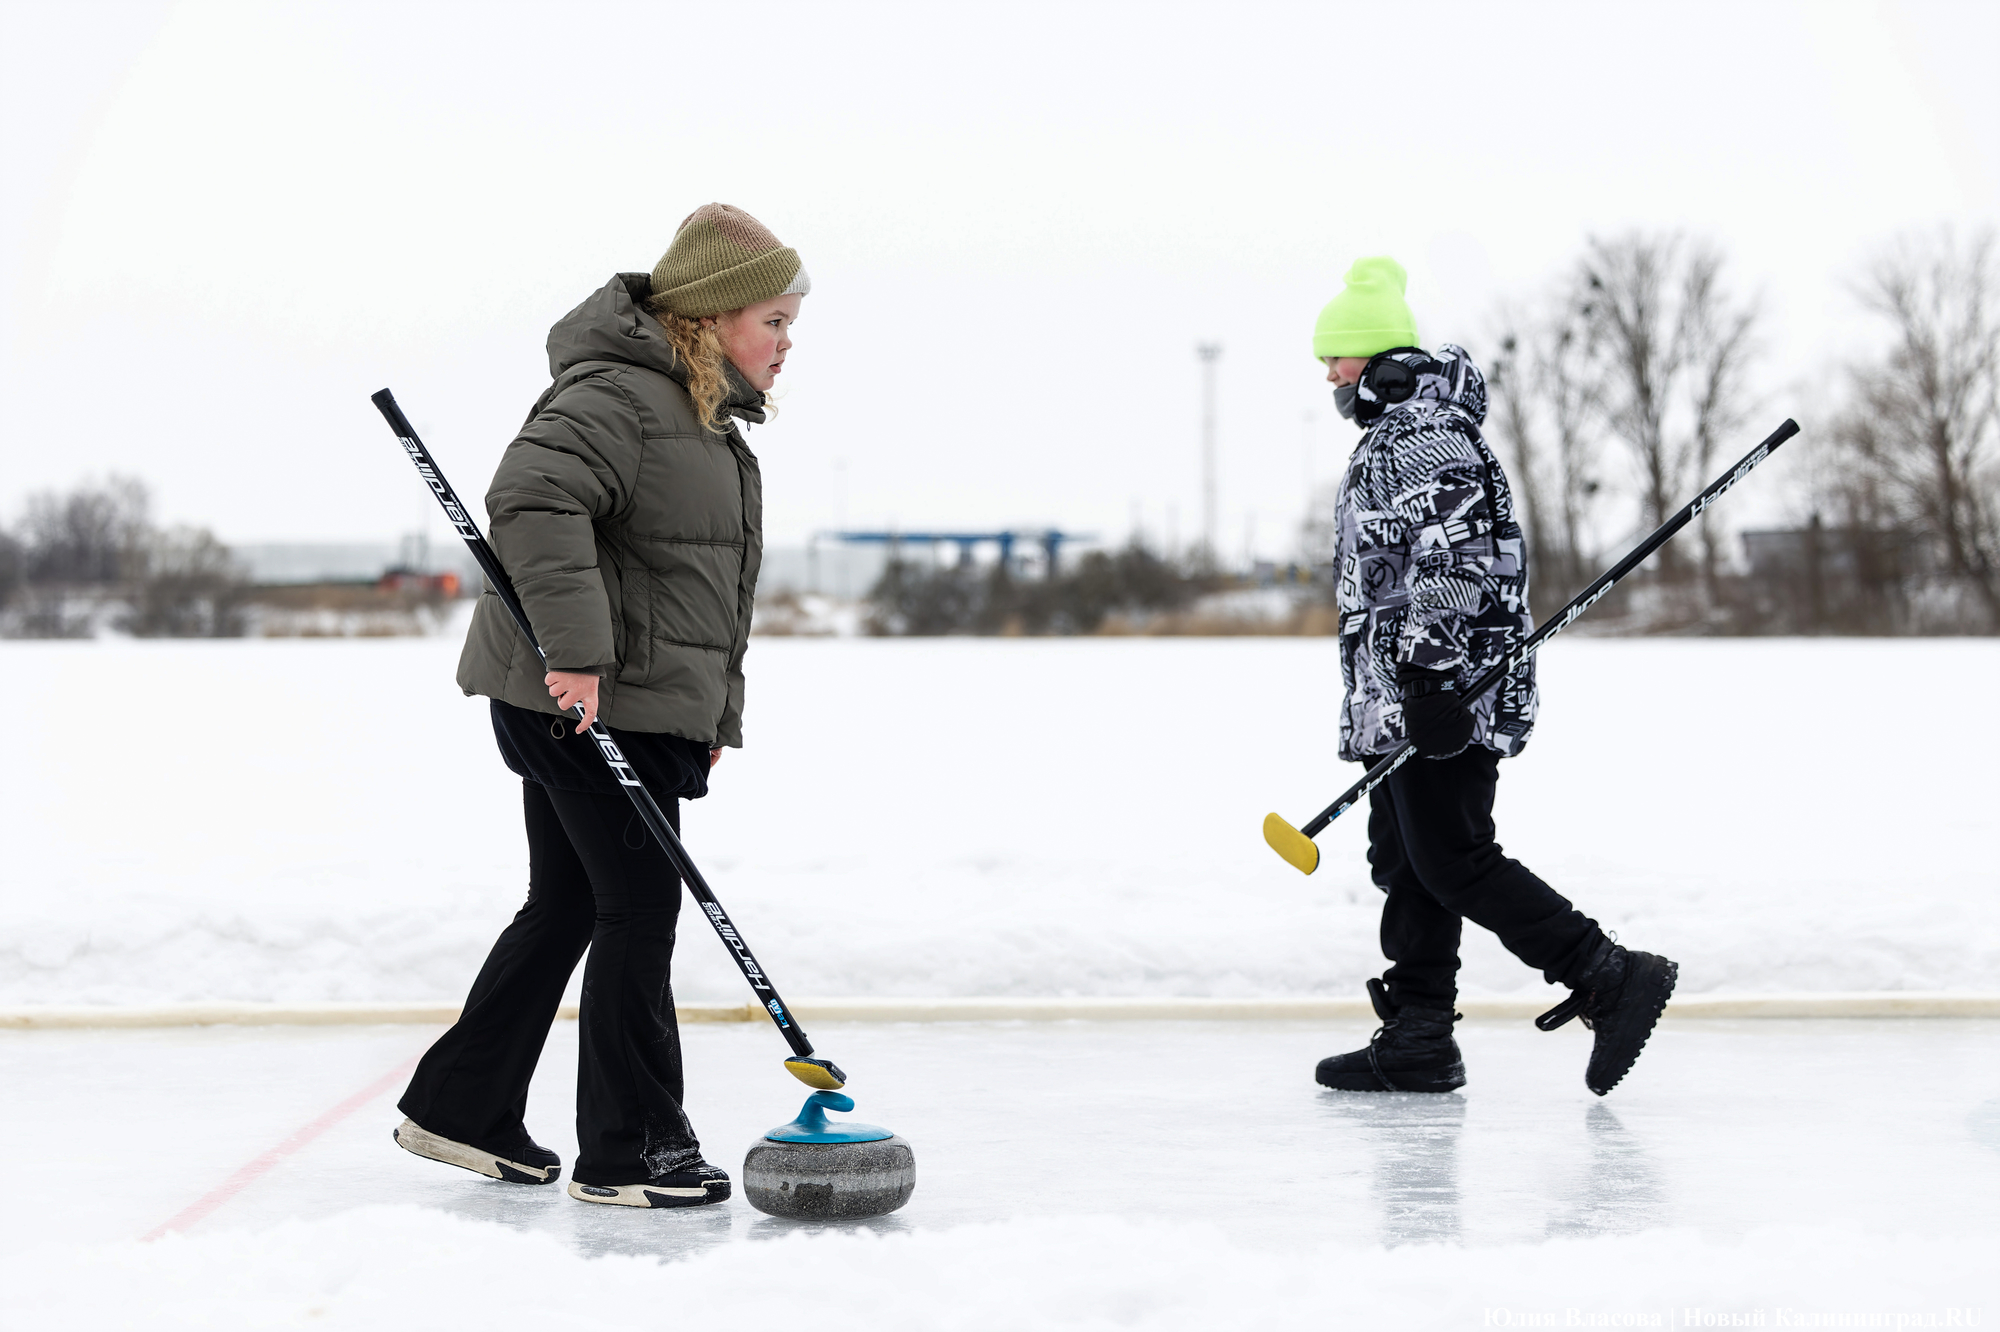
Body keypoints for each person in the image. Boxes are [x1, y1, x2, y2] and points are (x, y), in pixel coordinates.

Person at [393, 203, 806, 1207]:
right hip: (580, 704)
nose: (786, 345)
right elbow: (533, 500)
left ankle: (461, 1103)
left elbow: (696, 588)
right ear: (710, 320)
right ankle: (631, 1151)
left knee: (573, 901)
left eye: (791, 325)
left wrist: (708, 719)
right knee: (635, 912)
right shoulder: (619, 397)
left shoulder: (695, 416)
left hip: (629, 707)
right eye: (772, 321)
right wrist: (574, 657)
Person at [1307, 256, 1675, 1098]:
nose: (1331, 375)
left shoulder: (1428, 439)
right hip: (1402, 699)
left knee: (1454, 859)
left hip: (1444, 696)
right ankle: (1419, 1037)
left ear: (1383, 360)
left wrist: (1433, 679)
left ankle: (1608, 973)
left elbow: (1461, 562)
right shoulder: (1394, 438)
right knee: (1406, 860)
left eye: (1341, 357)